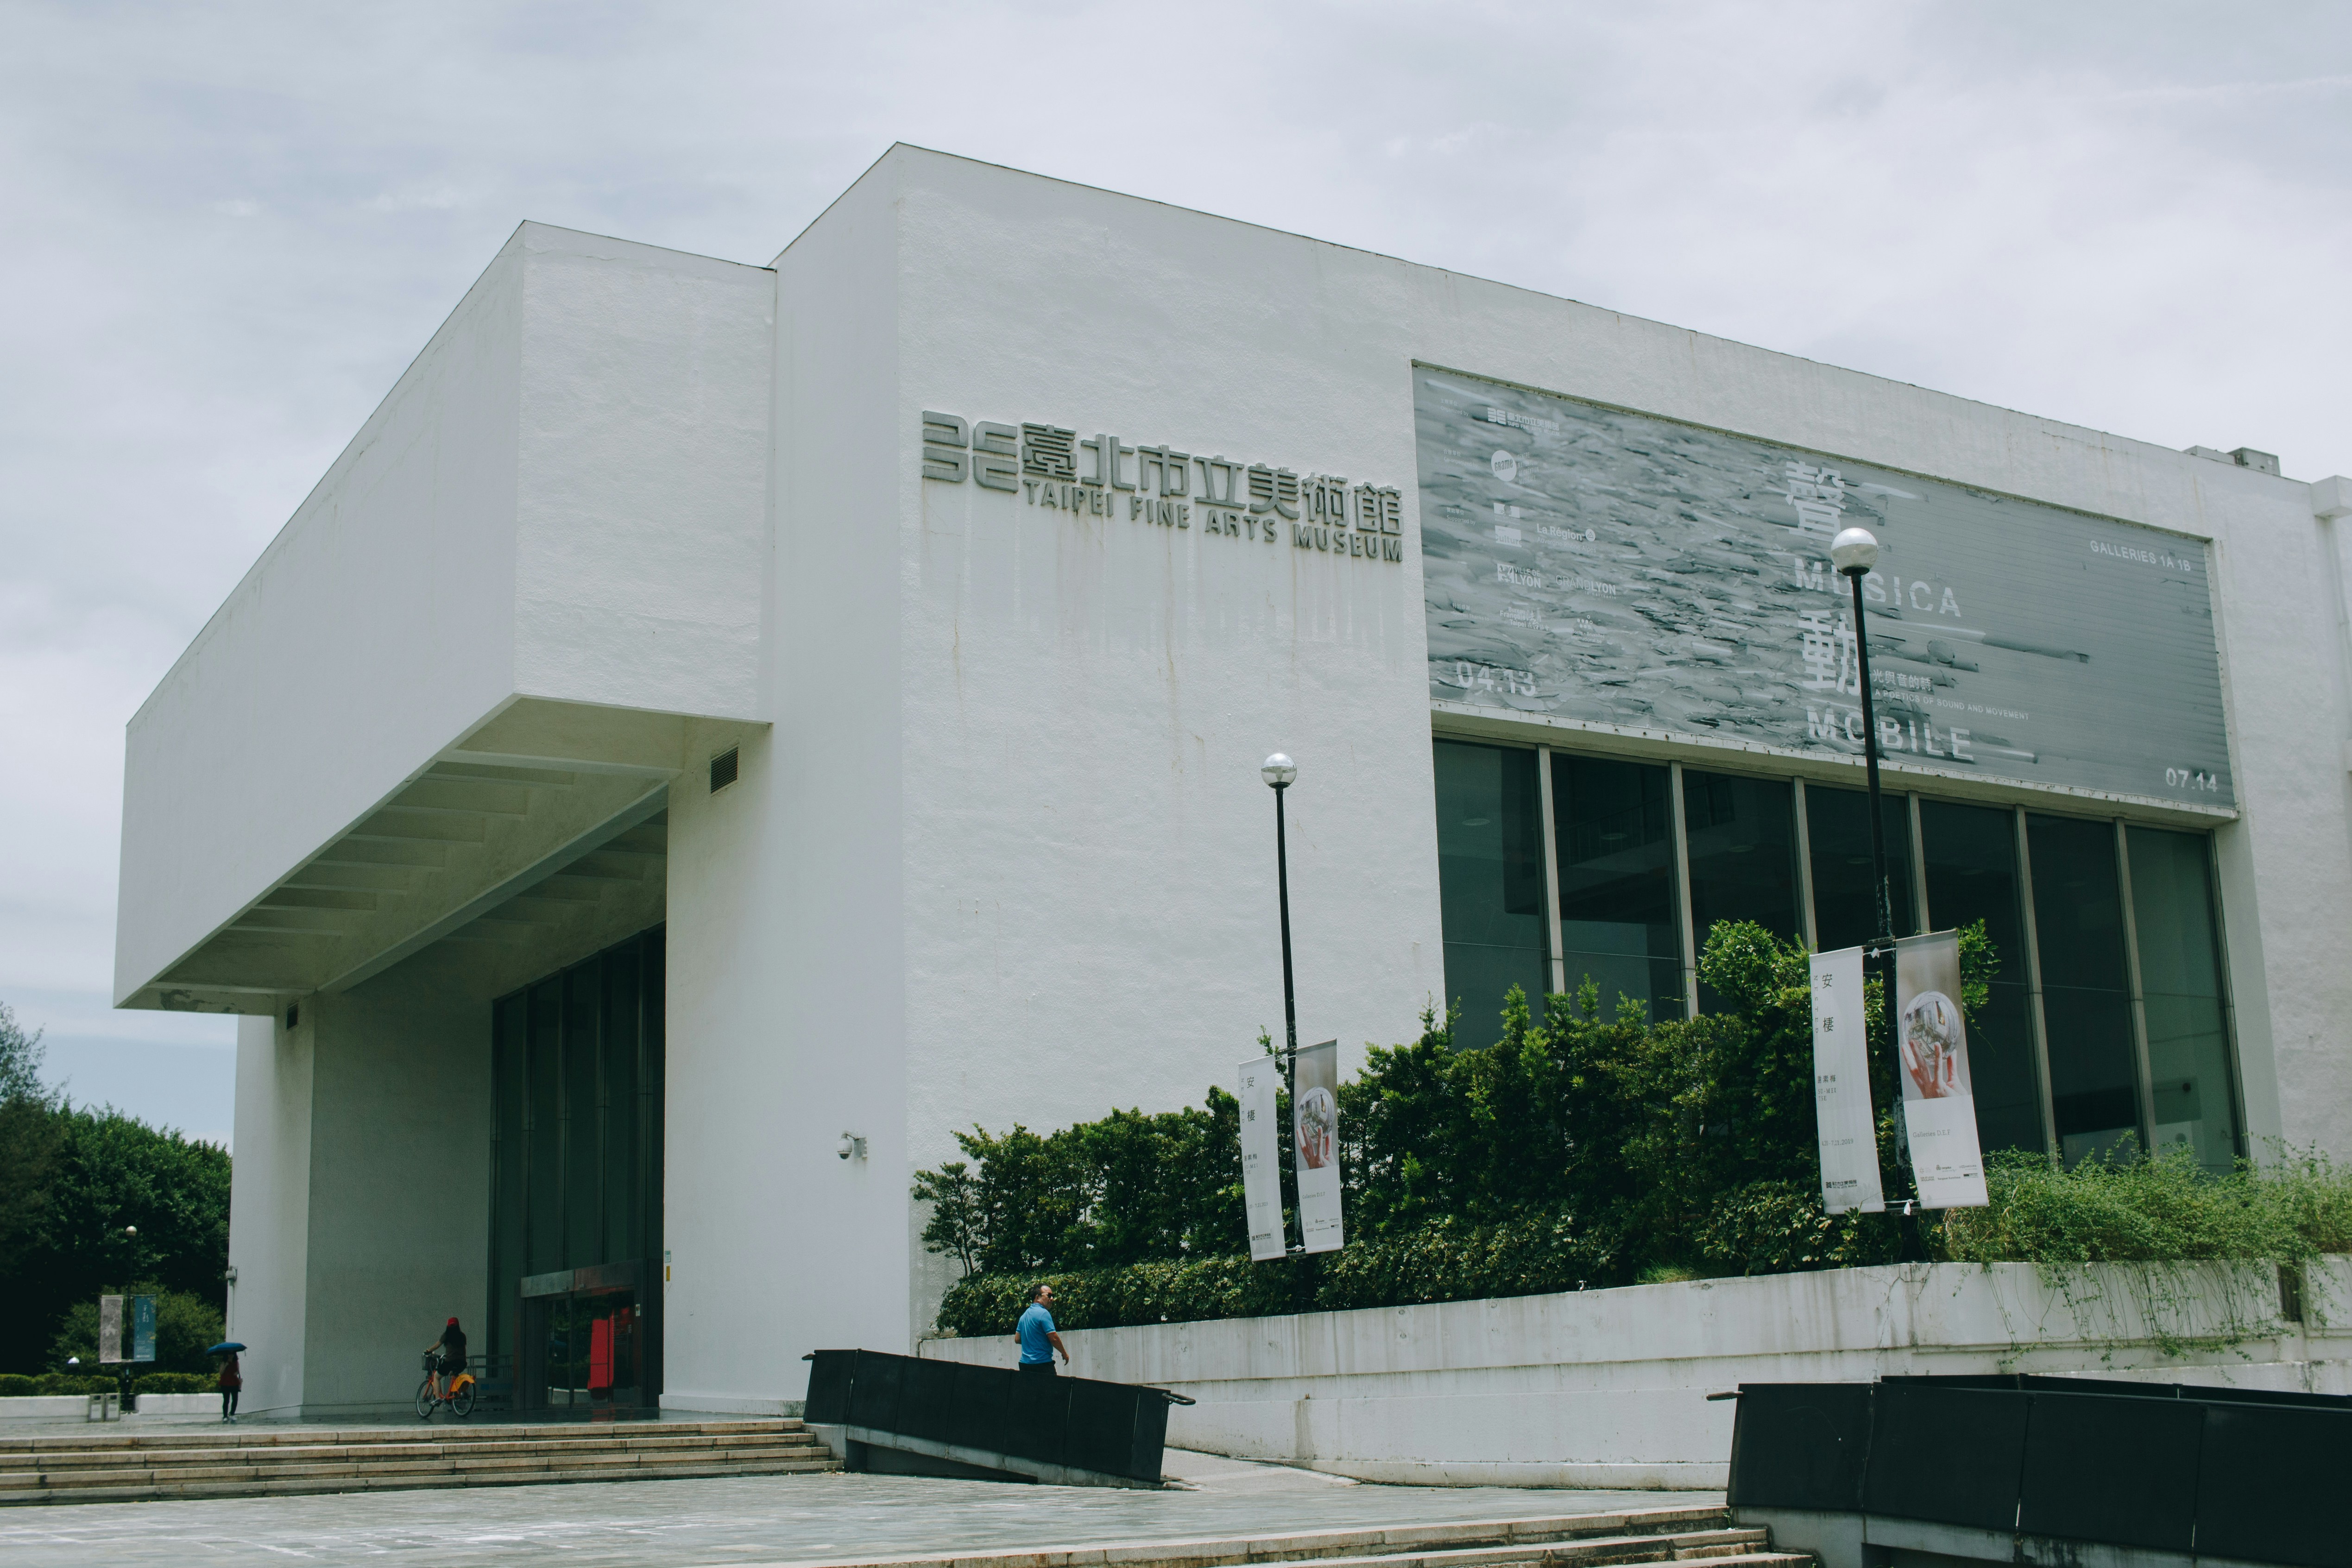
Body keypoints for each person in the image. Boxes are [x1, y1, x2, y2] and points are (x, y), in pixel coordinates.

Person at [1015, 1284, 1067, 1375]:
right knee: (1053, 1389)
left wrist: (1033, 1342)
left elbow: (1018, 1339)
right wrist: (1064, 1354)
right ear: (1037, 1297)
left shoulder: (1024, 1316)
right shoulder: (1044, 1313)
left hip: (1025, 1365)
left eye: (1053, 1296)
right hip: (1042, 1365)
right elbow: (1054, 1338)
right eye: (1049, 1296)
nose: (1052, 1299)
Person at [426, 1316, 467, 1399]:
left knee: (436, 1377)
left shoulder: (446, 1336)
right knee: (453, 1374)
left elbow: (437, 1345)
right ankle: (457, 1394)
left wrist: (428, 1350)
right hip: (462, 1363)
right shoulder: (462, 1336)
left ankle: (438, 1399)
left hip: (450, 1362)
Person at [217, 1351, 241, 1423]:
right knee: (226, 1400)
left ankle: (232, 1413)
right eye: (229, 1354)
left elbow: (238, 1371)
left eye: (232, 1354)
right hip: (225, 1383)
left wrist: (237, 1373)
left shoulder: (236, 1362)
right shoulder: (224, 1362)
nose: (231, 1355)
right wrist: (226, 1365)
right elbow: (221, 1372)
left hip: (234, 1382)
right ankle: (225, 1416)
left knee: (235, 1399)